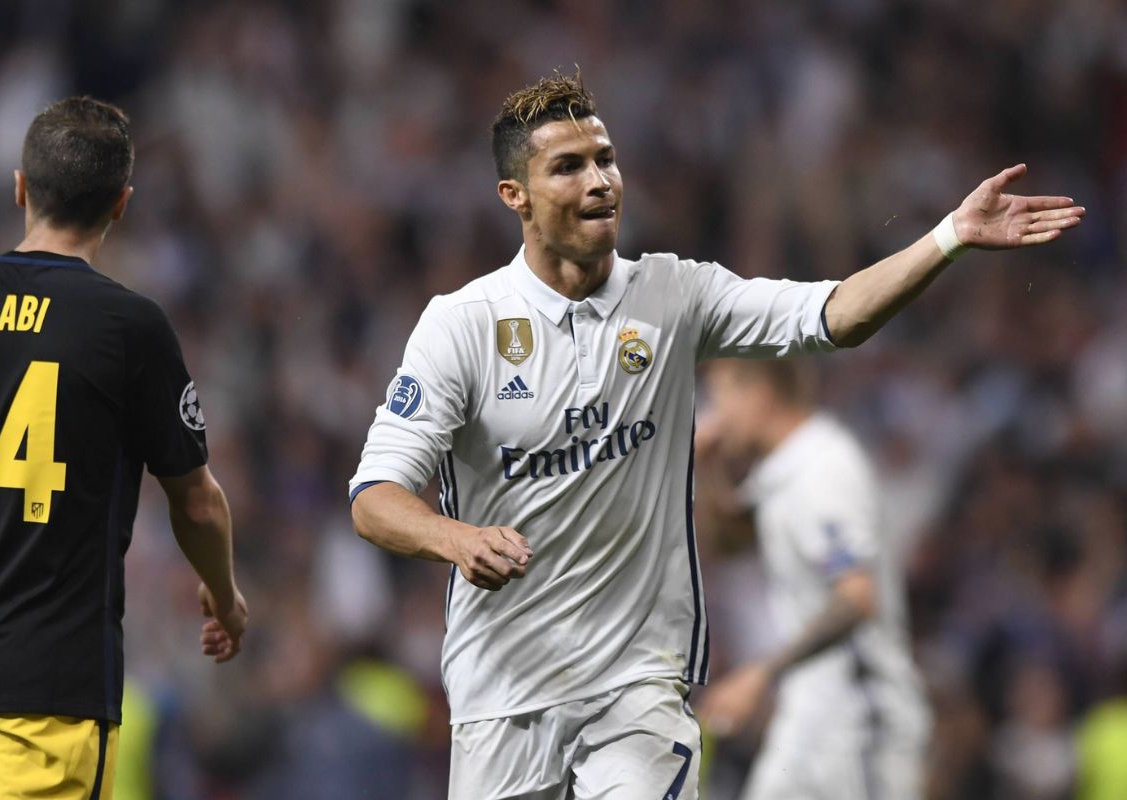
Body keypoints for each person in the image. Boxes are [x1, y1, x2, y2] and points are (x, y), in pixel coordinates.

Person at [348, 70, 1082, 799]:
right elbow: (374, 497)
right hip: (501, 688)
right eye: (568, 167)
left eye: (605, 158)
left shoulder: (674, 293)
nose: (600, 180)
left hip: (635, 687)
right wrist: (455, 539)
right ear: (516, 196)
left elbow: (833, 316)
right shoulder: (463, 325)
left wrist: (949, 236)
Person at [0, 96, 247, 800]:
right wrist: (224, 598)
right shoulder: (130, 328)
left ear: (20, 187)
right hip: (52, 686)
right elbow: (196, 503)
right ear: (121, 205)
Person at [695, 358, 930, 799]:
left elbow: (857, 598)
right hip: (812, 712)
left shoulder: (823, 467)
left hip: (862, 718)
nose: (715, 412)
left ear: (759, 390)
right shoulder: (784, 466)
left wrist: (760, 674)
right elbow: (731, 543)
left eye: (721, 393)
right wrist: (705, 466)